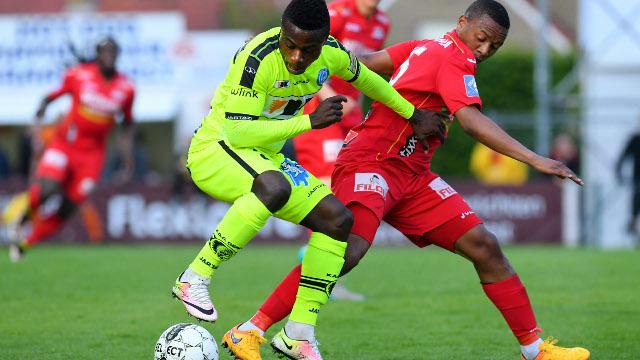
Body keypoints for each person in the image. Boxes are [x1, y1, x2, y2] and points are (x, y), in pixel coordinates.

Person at [224, 1, 590, 360]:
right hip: (372, 162)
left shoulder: (424, 48)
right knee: (345, 250)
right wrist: (536, 159)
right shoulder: (453, 57)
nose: (484, 49)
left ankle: (534, 349)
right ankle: (251, 330)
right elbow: (470, 120)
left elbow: (365, 65)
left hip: (412, 175)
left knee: (484, 246)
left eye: (495, 45)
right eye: (482, 38)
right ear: (463, 22)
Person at [171, 1, 444, 359]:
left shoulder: (331, 53)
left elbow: (367, 79)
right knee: (273, 186)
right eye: (291, 45)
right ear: (282, 33)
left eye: (308, 49)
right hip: (216, 148)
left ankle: (298, 333)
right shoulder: (257, 58)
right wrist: (309, 122)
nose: (298, 57)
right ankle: (195, 277)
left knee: (338, 220)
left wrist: (411, 114)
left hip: (264, 156)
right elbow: (238, 132)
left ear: (324, 42)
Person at [292, 0, 391, 302]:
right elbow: (309, 54)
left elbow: (364, 67)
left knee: (344, 192)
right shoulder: (336, 13)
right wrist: (328, 93)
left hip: (349, 115)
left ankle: (321, 268)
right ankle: (316, 270)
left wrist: (360, 101)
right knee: (325, 190)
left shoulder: (381, 22)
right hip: (318, 110)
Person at [7, 37, 135, 262]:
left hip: (92, 157)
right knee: (46, 189)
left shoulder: (126, 88)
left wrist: (127, 156)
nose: (109, 56)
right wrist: (39, 114)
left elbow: (127, 124)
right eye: (104, 52)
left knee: (67, 208)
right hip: (64, 144)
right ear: (97, 54)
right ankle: (24, 219)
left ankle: (25, 244)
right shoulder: (79, 75)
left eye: (113, 52)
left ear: (118, 56)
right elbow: (51, 96)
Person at [616, 130, 640, 234]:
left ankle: (633, 222)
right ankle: (633, 221)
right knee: (637, 196)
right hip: (638, 178)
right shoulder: (635, 139)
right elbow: (623, 157)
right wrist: (619, 172)